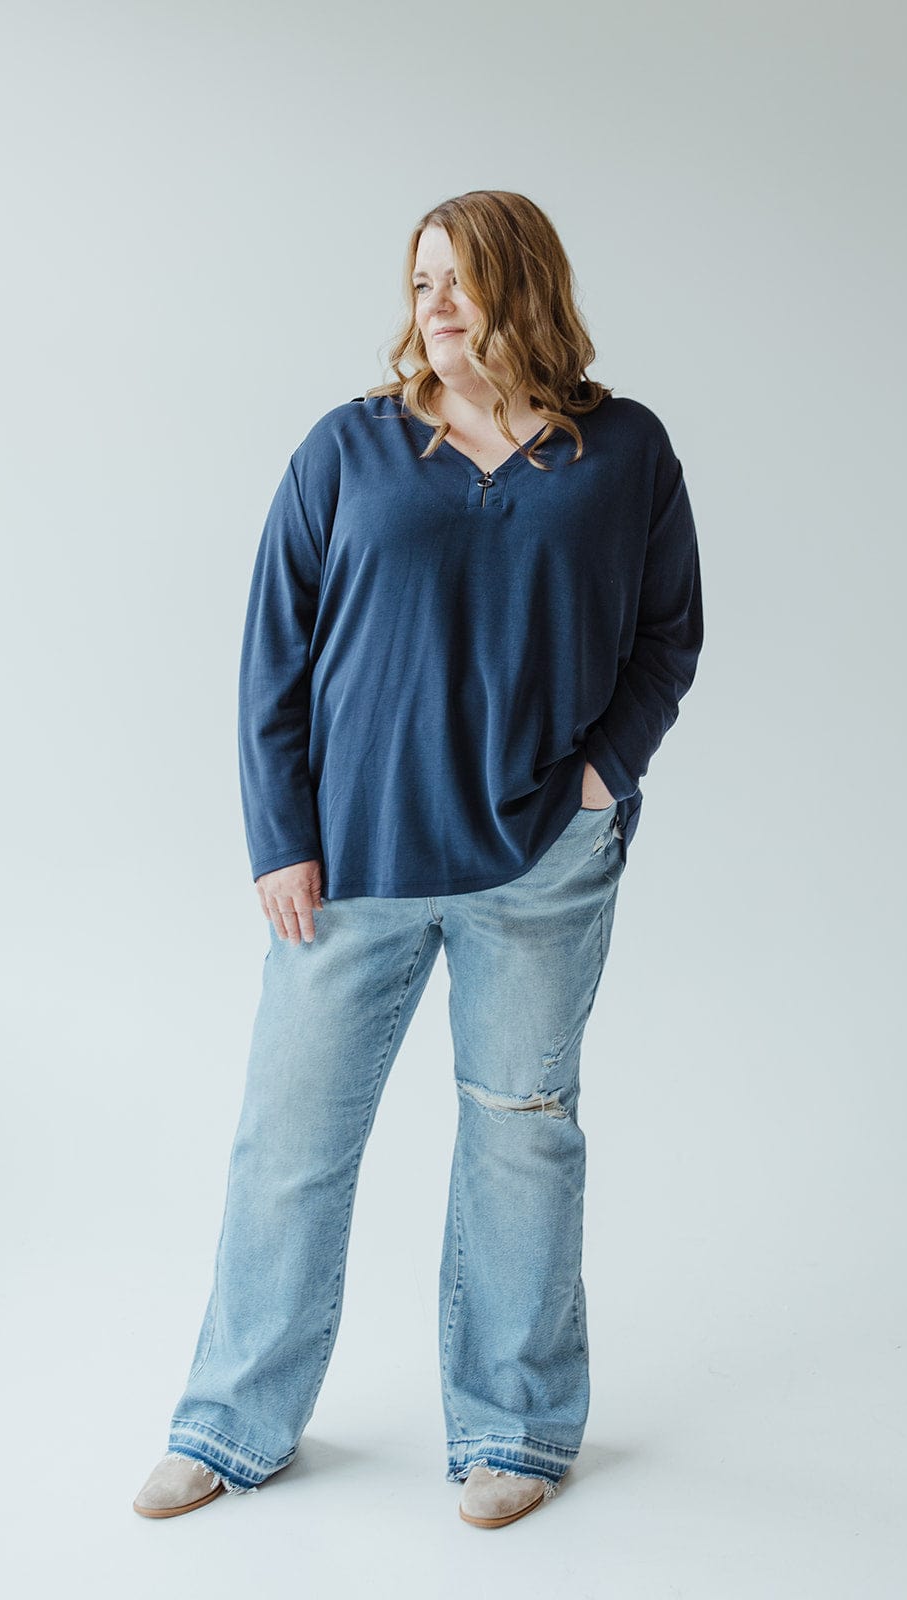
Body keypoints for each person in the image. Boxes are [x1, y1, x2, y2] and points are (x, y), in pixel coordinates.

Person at [133, 189, 704, 1529]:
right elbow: (273, 653)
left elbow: (668, 636)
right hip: (355, 868)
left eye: (460, 280)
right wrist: (281, 837)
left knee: (521, 1141)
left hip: (539, 870)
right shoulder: (349, 452)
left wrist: (598, 779)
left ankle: (514, 1426)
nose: (433, 305)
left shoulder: (624, 456)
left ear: (526, 291)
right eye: (421, 281)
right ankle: (230, 1422)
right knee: (289, 1145)